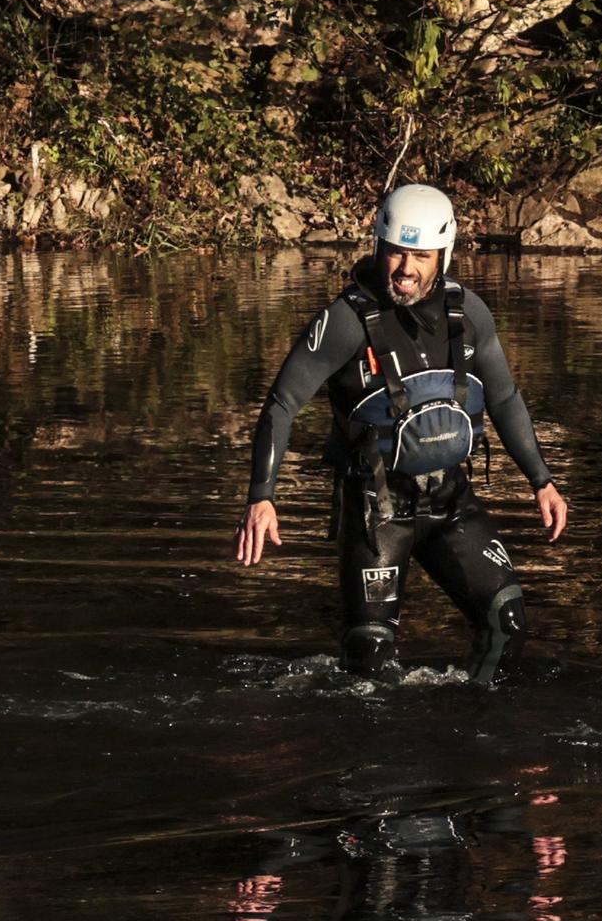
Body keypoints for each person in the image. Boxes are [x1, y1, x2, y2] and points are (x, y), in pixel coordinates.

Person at [233, 183, 568, 683]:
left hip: (451, 500)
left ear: (443, 255)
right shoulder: (345, 321)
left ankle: (476, 736)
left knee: (508, 622)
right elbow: (282, 403)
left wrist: (541, 479)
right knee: (369, 661)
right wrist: (261, 496)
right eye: (395, 252)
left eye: (420, 255)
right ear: (377, 246)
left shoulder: (469, 314)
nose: (405, 268)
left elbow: (503, 398)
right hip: (377, 510)